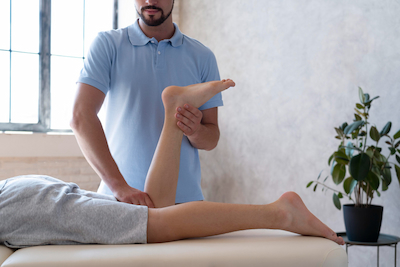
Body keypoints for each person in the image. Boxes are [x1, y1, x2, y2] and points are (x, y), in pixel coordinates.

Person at [0, 80, 345, 247]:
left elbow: (212, 138)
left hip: (17, 207)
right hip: (20, 196)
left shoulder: (198, 53)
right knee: (156, 212)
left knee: (159, 224)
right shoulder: (109, 45)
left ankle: (280, 213)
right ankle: (173, 108)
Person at [71, 0, 223, 207]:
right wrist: (120, 188)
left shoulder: (202, 57)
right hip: (119, 200)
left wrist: (195, 130)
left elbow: (211, 138)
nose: (150, 1)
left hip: (183, 203)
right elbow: (80, 117)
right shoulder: (108, 44)